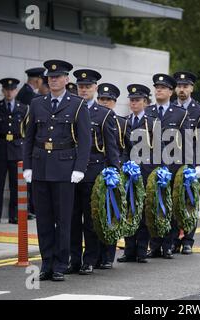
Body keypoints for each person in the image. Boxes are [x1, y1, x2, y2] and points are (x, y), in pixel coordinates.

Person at [23, 59, 91, 281]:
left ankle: (61, 264)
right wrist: (28, 166)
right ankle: (47, 263)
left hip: (64, 169)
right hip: (41, 166)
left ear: (66, 79)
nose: (53, 80)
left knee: (63, 220)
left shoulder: (77, 104)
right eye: (50, 77)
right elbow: (29, 138)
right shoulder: (37, 103)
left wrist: (79, 168)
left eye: (58, 77)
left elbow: (85, 139)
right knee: (43, 219)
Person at [68, 69, 120, 275]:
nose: (84, 90)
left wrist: (113, 173)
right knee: (72, 220)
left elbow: (112, 147)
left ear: (95, 89)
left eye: (88, 87)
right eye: (81, 86)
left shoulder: (104, 113)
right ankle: (74, 259)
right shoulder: (69, 109)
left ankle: (89, 259)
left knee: (90, 221)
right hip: (71, 172)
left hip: (94, 173)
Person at [145, 73, 190, 259]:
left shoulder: (180, 114)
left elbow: (187, 143)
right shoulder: (147, 111)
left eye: (162, 88)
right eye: (156, 87)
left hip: (172, 167)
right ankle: (154, 244)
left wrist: (187, 168)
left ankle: (168, 244)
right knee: (152, 206)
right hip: (150, 167)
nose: (158, 90)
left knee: (168, 206)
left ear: (171, 92)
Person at [117, 84, 158, 264]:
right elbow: (122, 147)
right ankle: (129, 249)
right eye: (132, 100)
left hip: (145, 171)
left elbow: (158, 149)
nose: (134, 103)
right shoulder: (125, 121)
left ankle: (141, 250)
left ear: (145, 102)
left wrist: (155, 172)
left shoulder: (153, 122)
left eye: (137, 100)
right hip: (128, 172)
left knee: (142, 211)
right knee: (128, 211)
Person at [170, 71, 200, 255]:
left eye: (185, 86)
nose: (181, 90)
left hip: (191, 162)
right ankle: (171, 240)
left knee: (189, 201)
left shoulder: (199, 110)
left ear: (192, 88)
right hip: (171, 161)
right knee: (172, 201)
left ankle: (187, 240)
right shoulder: (170, 107)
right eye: (179, 86)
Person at [95, 82, 132, 269]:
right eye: (102, 99)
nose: (104, 102)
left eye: (108, 100)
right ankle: (94, 255)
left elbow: (127, 149)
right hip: (94, 172)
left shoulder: (123, 123)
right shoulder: (90, 117)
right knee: (95, 215)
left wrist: (120, 170)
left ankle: (108, 255)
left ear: (114, 102)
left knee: (110, 215)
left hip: (113, 174)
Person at [0, 78, 28, 224]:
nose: (9, 92)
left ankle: (14, 215)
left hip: (17, 149)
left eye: (12, 90)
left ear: (16, 91)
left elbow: (27, 131)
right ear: (2, 91)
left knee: (16, 185)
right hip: (0, 148)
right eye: (6, 89)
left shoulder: (23, 108)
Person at [17, 67, 45, 221]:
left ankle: (28, 209)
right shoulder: (29, 95)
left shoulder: (26, 93)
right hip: (26, 141)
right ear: (37, 80)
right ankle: (25, 209)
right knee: (26, 181)